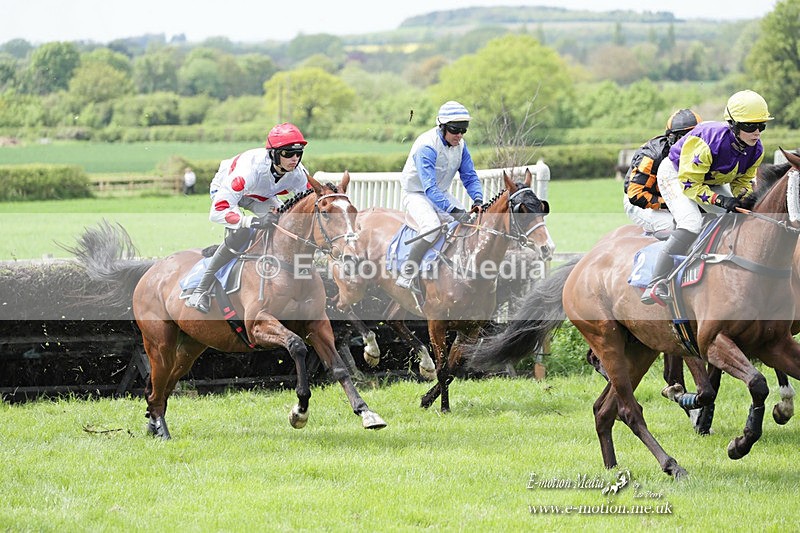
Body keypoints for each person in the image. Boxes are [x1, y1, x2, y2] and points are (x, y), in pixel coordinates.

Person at [641, 90, 770, 305]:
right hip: (676, 175)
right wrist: (721, 201)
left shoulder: (756, 149)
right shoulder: (710, 141)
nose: (756, 132)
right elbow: (690, 185)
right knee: (691, 223)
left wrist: (745, 200)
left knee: (738, 217)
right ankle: (656, 282)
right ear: (733, 125)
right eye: (750, 126)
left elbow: (741, 182)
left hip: (708, 179)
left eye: (761, 126)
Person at [186, 123, 310, 313]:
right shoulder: (249, 172)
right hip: (227, 194)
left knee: (285, 225)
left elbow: (309, 204)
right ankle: (200, 288)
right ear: (274, 154)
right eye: (287, 154)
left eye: (298, 153)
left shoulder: (298, 173)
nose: (294, 159)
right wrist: (253, 221)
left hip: (260, 196)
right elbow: (217, 212)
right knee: (242, 232)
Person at [395, 100, 484, 289]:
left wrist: (478, 198)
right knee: (432, 227)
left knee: (468, 224)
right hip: (416, 193)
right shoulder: (427, 146)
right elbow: (429, 188)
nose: (459, 135)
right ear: (442, 127)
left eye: (463, 130)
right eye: (455, 130)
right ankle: (407, 272)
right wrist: (454, 210)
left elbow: (469, 176)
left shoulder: (461, 146)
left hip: (440, 193)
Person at [623, 109, 702, 234]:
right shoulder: (652, 156)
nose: (690, 143)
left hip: (676, 196)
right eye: (683, 138)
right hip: (641, 203)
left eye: (695, 137)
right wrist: (671, 204)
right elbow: (635, 195)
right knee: (675, 226)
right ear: (671, 137)